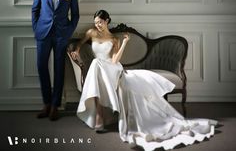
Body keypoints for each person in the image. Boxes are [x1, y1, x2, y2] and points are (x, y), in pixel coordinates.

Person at [71, 9, 217, 151]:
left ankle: (99, 116)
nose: (98, 25)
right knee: (96, 64)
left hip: (112, 68)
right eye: (96, 22)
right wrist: (76, 52)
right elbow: (79, 44)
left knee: (97, 64)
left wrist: (124, 43)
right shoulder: (91, 33)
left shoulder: (114, 39)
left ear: (107, 21)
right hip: (99, 68)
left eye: (100, 22)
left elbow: (115, 60)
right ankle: (99, 114)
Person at [32, 0, 79, 121]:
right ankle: (46, 103)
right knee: (41, 67)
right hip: (43, 34)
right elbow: (35, 10)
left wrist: (68, 32)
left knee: (59, 69)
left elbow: (76, 15)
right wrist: (36, 28)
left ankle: (55, 106)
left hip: (61, 36)